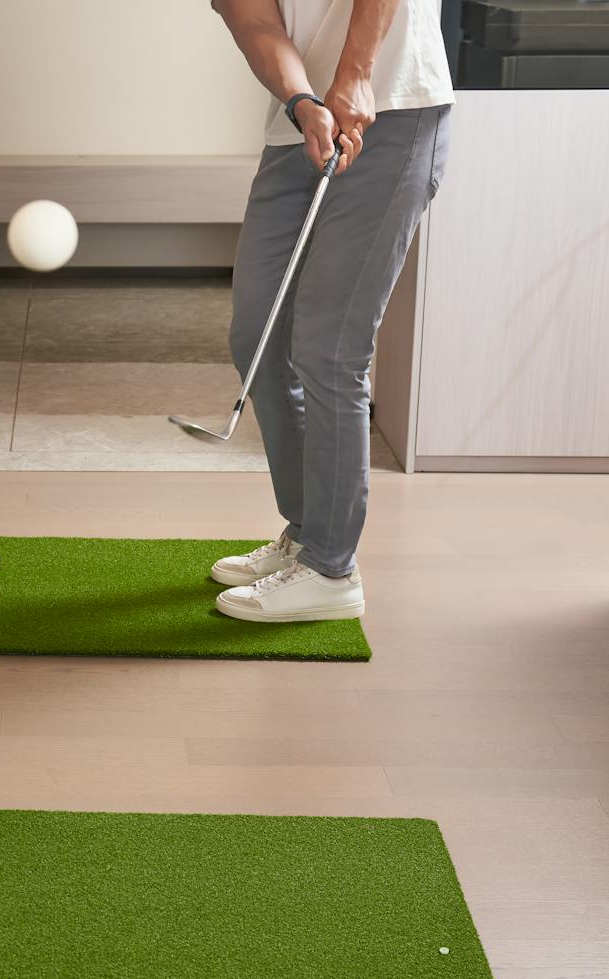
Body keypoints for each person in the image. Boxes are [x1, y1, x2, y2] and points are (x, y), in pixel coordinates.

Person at [207, 0, 452, 622]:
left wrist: (357, 71)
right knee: (258, 336)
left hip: (394, 108)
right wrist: (301, 101)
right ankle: (307, 531)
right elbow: (254, 19)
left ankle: (330, 570)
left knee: (329, 348)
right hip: (302, 125)